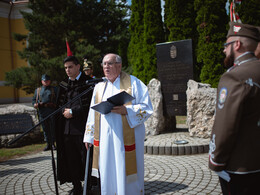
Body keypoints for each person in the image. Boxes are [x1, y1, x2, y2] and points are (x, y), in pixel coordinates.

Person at [83, 53, 153, 195]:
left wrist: (126, 110)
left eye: (110, 63)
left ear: (119, 66)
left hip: (126, 140)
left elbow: (147, 107)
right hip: (105, 140)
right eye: (104, 64)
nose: (106, 67)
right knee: (108, 170)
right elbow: (92, 114)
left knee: (125, 171)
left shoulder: (134, 83)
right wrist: (89, 136)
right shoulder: (99, 87)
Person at [209, 22, 260, 195]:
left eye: (226, 45)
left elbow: (226, 126)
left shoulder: (234, 77)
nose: (224, 50)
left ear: (236, 45)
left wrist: (216, 160)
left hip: (241, 168)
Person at [55, 55, 93, 195]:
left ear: (78, 66)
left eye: (70, 67)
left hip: (83, 129)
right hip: (66, 130)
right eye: (65, 68)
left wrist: (74, 111)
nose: (67, 70)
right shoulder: (63, 85)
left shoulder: (88, 82)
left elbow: (91, 104)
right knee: (71, 160)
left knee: (85, 160)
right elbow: (58, 105)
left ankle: (88, 186)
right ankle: (76, 186)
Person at [32, 74, 57, 151]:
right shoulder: (38, 90)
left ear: (49, 81)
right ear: (42, 81)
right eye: (44, 81)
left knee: (52, 128)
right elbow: (33, 100)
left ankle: (53, 143)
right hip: (42, 112)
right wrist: (35, 104)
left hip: (51, 111)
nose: (46, 82)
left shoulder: (54, 89)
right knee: (45, 128)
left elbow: (58, 99)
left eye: (47, 81)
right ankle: (48, 144)